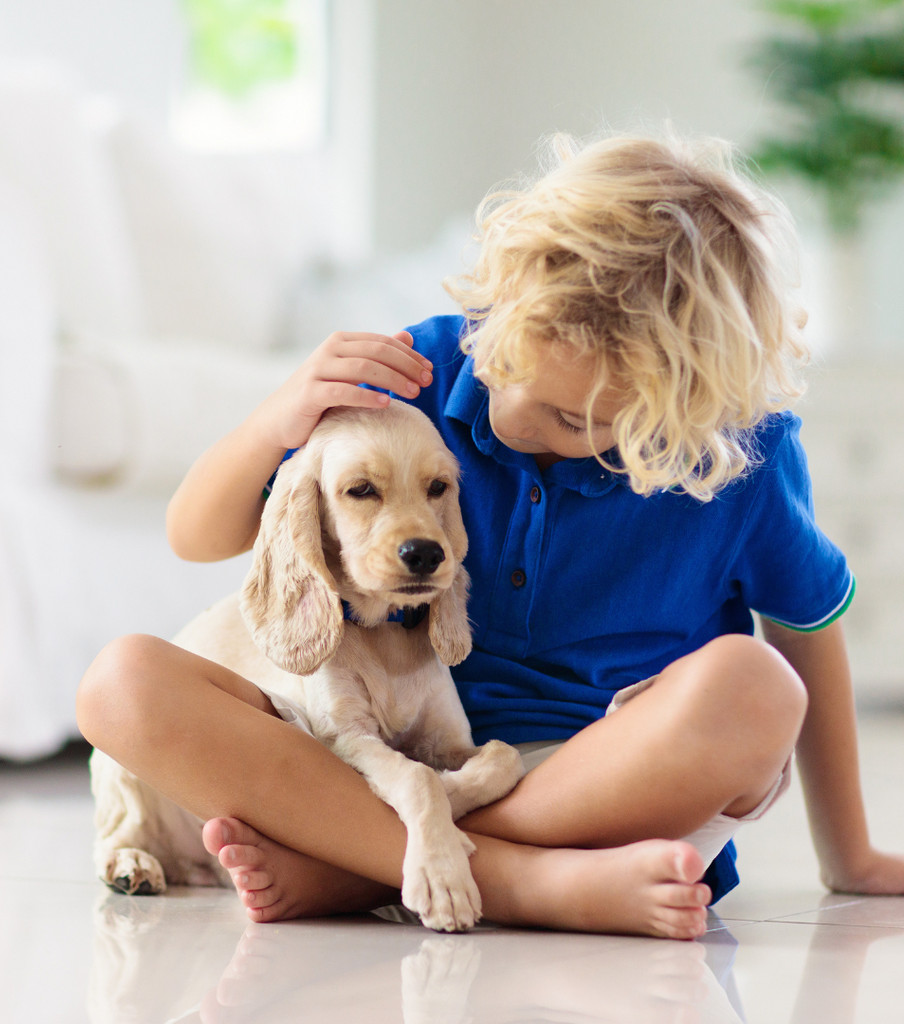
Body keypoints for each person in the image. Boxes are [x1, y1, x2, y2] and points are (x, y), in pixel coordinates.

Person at [76, 132, 904, 940]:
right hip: (384, 768)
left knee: (757, 688)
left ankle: (367, 869)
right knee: (121, 686)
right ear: (500, 304)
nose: (511, 415)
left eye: (577, 420)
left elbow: (807, 631)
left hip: (601, 782)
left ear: (680, 410)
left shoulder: (737, 450)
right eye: (507, 368)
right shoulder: (417, 372)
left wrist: (852, 856)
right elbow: (197, 535)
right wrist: (274, 420)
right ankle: (521, 883)